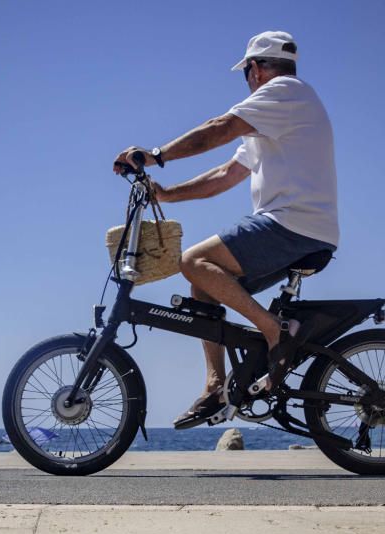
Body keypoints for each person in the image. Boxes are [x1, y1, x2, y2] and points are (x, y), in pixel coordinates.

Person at [113, 30, 339, 427]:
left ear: (254, 69)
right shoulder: (277, 112)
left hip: (291, 224)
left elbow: (220, 127)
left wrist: (157, 155)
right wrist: (165, 195)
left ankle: (277, 331)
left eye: (246, 72)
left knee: (193, 260)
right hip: (296, 226)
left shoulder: (284, 92)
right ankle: (216, 387)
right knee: (203, 283)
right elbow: (224, 175)